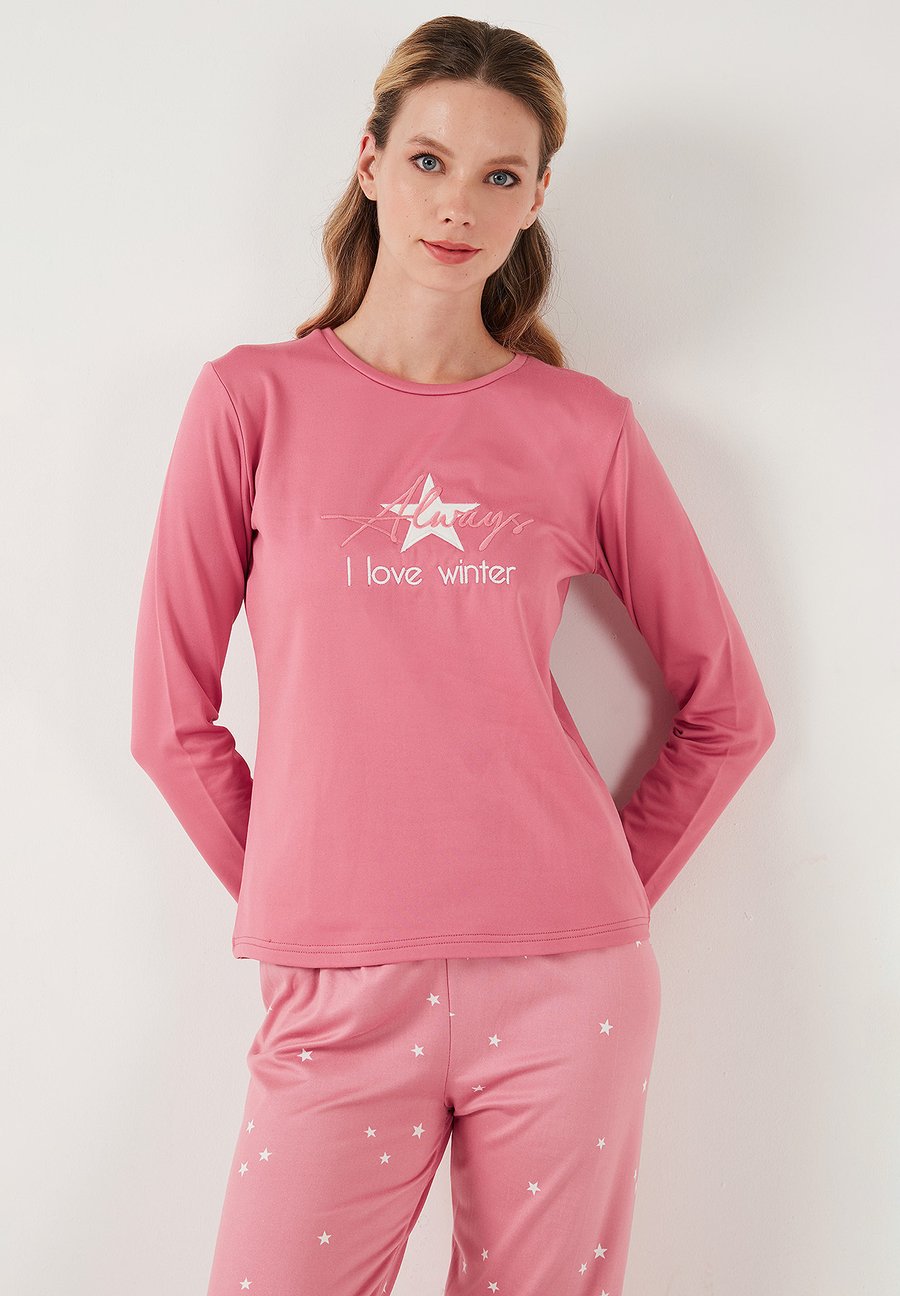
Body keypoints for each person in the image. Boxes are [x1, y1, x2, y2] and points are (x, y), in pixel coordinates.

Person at [130, 15, 776, 1295]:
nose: (458, 204)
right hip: (336, 989)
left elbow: (729, 715)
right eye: (429, 159)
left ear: (537, 197)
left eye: (499, 174)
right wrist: (309, 899)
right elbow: (168, 721)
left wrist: (602, 896)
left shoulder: (582, 428)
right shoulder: (251, 402)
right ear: (370, 161)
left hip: (567, 988)